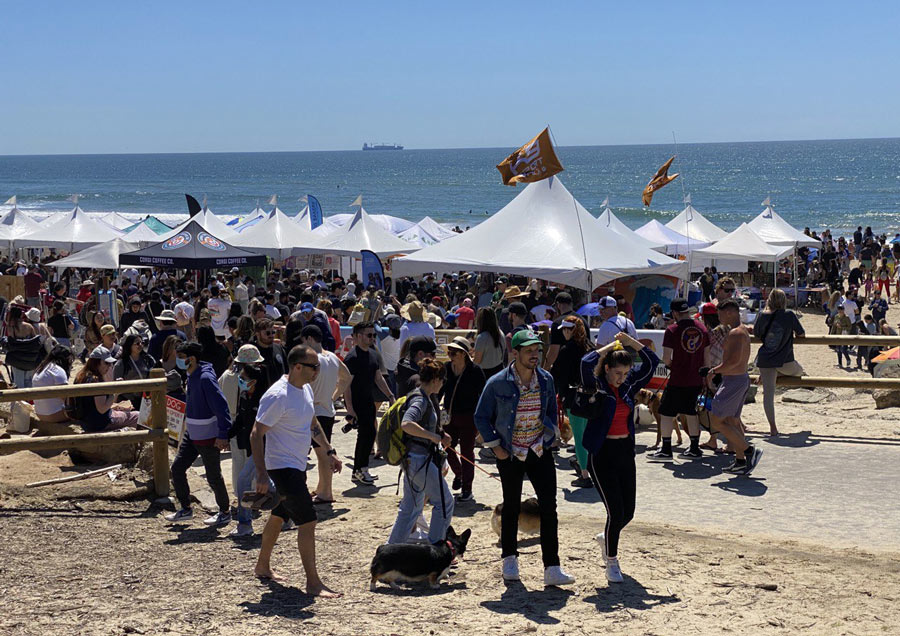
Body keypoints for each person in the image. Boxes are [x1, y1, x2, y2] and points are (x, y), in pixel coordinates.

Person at [474, 329, 576, 587]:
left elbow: (551, 411)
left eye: (538, 350)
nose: (535, 355)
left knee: (549, 508)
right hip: (510, 452)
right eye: (529, 350)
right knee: (511, 507)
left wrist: (550, 434)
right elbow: (481, 417)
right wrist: (496, 446)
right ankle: (510, 559)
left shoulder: (546, 379)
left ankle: (552, 567)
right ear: (515, 353)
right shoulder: (497, 382)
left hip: (539, 450)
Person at [249, 344, 343, 598]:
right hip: (282, 469)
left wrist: (329, 451)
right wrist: (260, 474)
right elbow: (256, 434)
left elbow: (312, 425)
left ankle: (262, 566)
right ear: (297, 366)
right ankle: (313, 583)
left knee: (279, 516)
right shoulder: (278, 395)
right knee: (309, 521)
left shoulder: (305, 391)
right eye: (314, 367)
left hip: (297, 466)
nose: (317, 372)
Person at [579, 332, 659, 583]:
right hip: (602, 454)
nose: (621, 377)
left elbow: (652, 362)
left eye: (625, 373)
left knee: (628, 513)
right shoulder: (597, 384)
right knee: (615, 511)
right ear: (607, 369)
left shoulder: (628, 385)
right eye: (617, 373)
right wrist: (609, 347)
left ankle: (607, 536)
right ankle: (611, 561)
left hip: (625, 452)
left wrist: (630, 343)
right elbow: (585, 363)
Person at [386, 358, 455, 544]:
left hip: (412, 461)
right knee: (445, 502)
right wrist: (433, 437)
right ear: (435, 380)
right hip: (419, 461)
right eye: (442, 380)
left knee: (411, 508)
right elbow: (407, 424)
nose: (442, 384)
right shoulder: (420, 399)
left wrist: (439, 434)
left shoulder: (422, 396)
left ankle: (390, 554)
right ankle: (436, 551)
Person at [165, 342, 233, 527]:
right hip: (192, 434)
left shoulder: (205, 379)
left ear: (191, 359)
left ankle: (225, 511)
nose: (177, 360)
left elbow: (221, 407)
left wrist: (222, 434)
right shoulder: (191, 374)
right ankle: (185, 509)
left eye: (180, 356)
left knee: (213, 476)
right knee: (177, 468)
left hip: (208, 436)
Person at [647, 298, 709, 462]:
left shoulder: (672, 330)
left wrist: (674, 365)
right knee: (691, 411)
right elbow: (707, 359)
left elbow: (666, 359)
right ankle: (694, 447)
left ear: (674, 313)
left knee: (666, 412)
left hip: (678, 378)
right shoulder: (702, 328)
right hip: (696, 378)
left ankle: (666, 449)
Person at [706, 299, 763, 475]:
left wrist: (712, 371)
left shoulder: (736, 333)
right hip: (738, 379)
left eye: (720, 314)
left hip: (734, 381)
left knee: (716, 419)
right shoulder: (742, 330)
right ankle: (740, 461)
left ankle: (749, 451)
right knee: (732, 421)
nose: (719, 318)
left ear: (730, 313)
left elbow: (732, 362)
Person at [300, 325, 351, 504]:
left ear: (309, 339)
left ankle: (326, 493)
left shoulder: (312, 360)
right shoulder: (332, 357)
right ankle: (322, 488)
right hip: (327, 409)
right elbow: (346, 377)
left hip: (314, 411)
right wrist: (333, 396)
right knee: (323, 452)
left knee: (322, 454)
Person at [343, 322, 396, 484]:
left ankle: (360, 469)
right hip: (357, 402)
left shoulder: (372, 354)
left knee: (370, 434)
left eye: (374, 335)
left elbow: (378, 377)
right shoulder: (352, 358)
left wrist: (390, 395)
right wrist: (350, 409)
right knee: (365, 436)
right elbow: (346, 385)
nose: (373, 338)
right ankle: (359, 470)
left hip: (368, 400)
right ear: (358, 336)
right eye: (369, 335)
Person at [754, 289, 805, 436]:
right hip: (785, 361)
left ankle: (773, 428)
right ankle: (773, 376)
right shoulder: (789, 315)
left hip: (766, 360)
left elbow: (757, 334)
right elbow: (801, 333)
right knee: (800, 372)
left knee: (768, 395)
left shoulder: (762, 315)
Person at [229, 354, 270, 537]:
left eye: (244, 378)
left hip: (266, 448)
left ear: (254, 381)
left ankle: (244, 524)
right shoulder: (245, 395)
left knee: (243, 481)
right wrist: (225, 436)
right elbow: (240, 420)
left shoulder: (265, 401)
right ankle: (288, 515)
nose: (240, 380)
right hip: (252, 447)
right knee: (274, 485)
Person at [441, 336, 486, 502]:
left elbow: (484, 396)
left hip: (469, 417)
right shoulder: (446, 368)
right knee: (447, 448)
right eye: (449, 351)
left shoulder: (475, 371)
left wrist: (484, 420)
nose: (450, 354)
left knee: (467, 452)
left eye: (454, 352)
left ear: (463, 354)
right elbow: (439, 390)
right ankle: (459, 474)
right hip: (449, 416)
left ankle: (467, 488)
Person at [550, 318, 594, 487]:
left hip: (573, 398)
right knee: (587, 435)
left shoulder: (566, 350)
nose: (563, 333)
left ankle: (584, 474)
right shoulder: (589, 347)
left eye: (565, 330)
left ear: (570, 331)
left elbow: (558, 374)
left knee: (580, 438)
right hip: (591, 398)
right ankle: (589, 468)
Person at [73, 346, 140, 432]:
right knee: (137, 416)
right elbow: (102, 409)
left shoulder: (80, 376)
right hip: (100, 423)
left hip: (85, 423)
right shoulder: (95, 380)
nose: (109, 366)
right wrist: (115, 392)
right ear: (96, 362)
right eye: (106, 363)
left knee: (123, 410)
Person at [543, 292, 589, 370]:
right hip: (581, 369)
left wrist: (544, 370)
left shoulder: (558, 323)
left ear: (558, 305)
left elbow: (553, 353)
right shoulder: (583, 321)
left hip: (563, 371)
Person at [32, 346, 76, 423]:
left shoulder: (41, 368)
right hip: (54, 415)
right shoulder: (58, 371)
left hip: (40, 414)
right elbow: (65, 397)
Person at [112, 334, 156, 410]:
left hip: (146, 398)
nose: (140, 345)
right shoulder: (122, 363)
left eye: (142, 342)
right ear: (129, 345)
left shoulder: (148, 359)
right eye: (137, 343)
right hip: (128, 401)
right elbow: (116, 384)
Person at [5, 306, 40, 389]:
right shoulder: (29, 326)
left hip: (17, 359)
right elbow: (35, 341)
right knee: (29, 382)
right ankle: (29, 400)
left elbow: (11, 343)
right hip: (30, 358)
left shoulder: (11, 327)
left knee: (18, 383)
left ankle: (21, 401)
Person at [253, 318, 287, 394]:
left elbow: (286, 371)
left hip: (280, 395)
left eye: (273, 332)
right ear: (257, 334)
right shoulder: (252, 351)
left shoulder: (279, 348)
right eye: (267, 333)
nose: (271, 335)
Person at [473, 307, 506, 378]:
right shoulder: (501, 333)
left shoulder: (482, 337)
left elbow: (477, 361)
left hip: (485, 374)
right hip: (500, 371)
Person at [379, 314, 404, 395]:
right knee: (397, 391)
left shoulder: (383, 336)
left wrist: (379, 306)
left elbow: (374, 322)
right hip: (400, 366)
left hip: (388, 368)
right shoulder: (404, 332)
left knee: (390, 392)